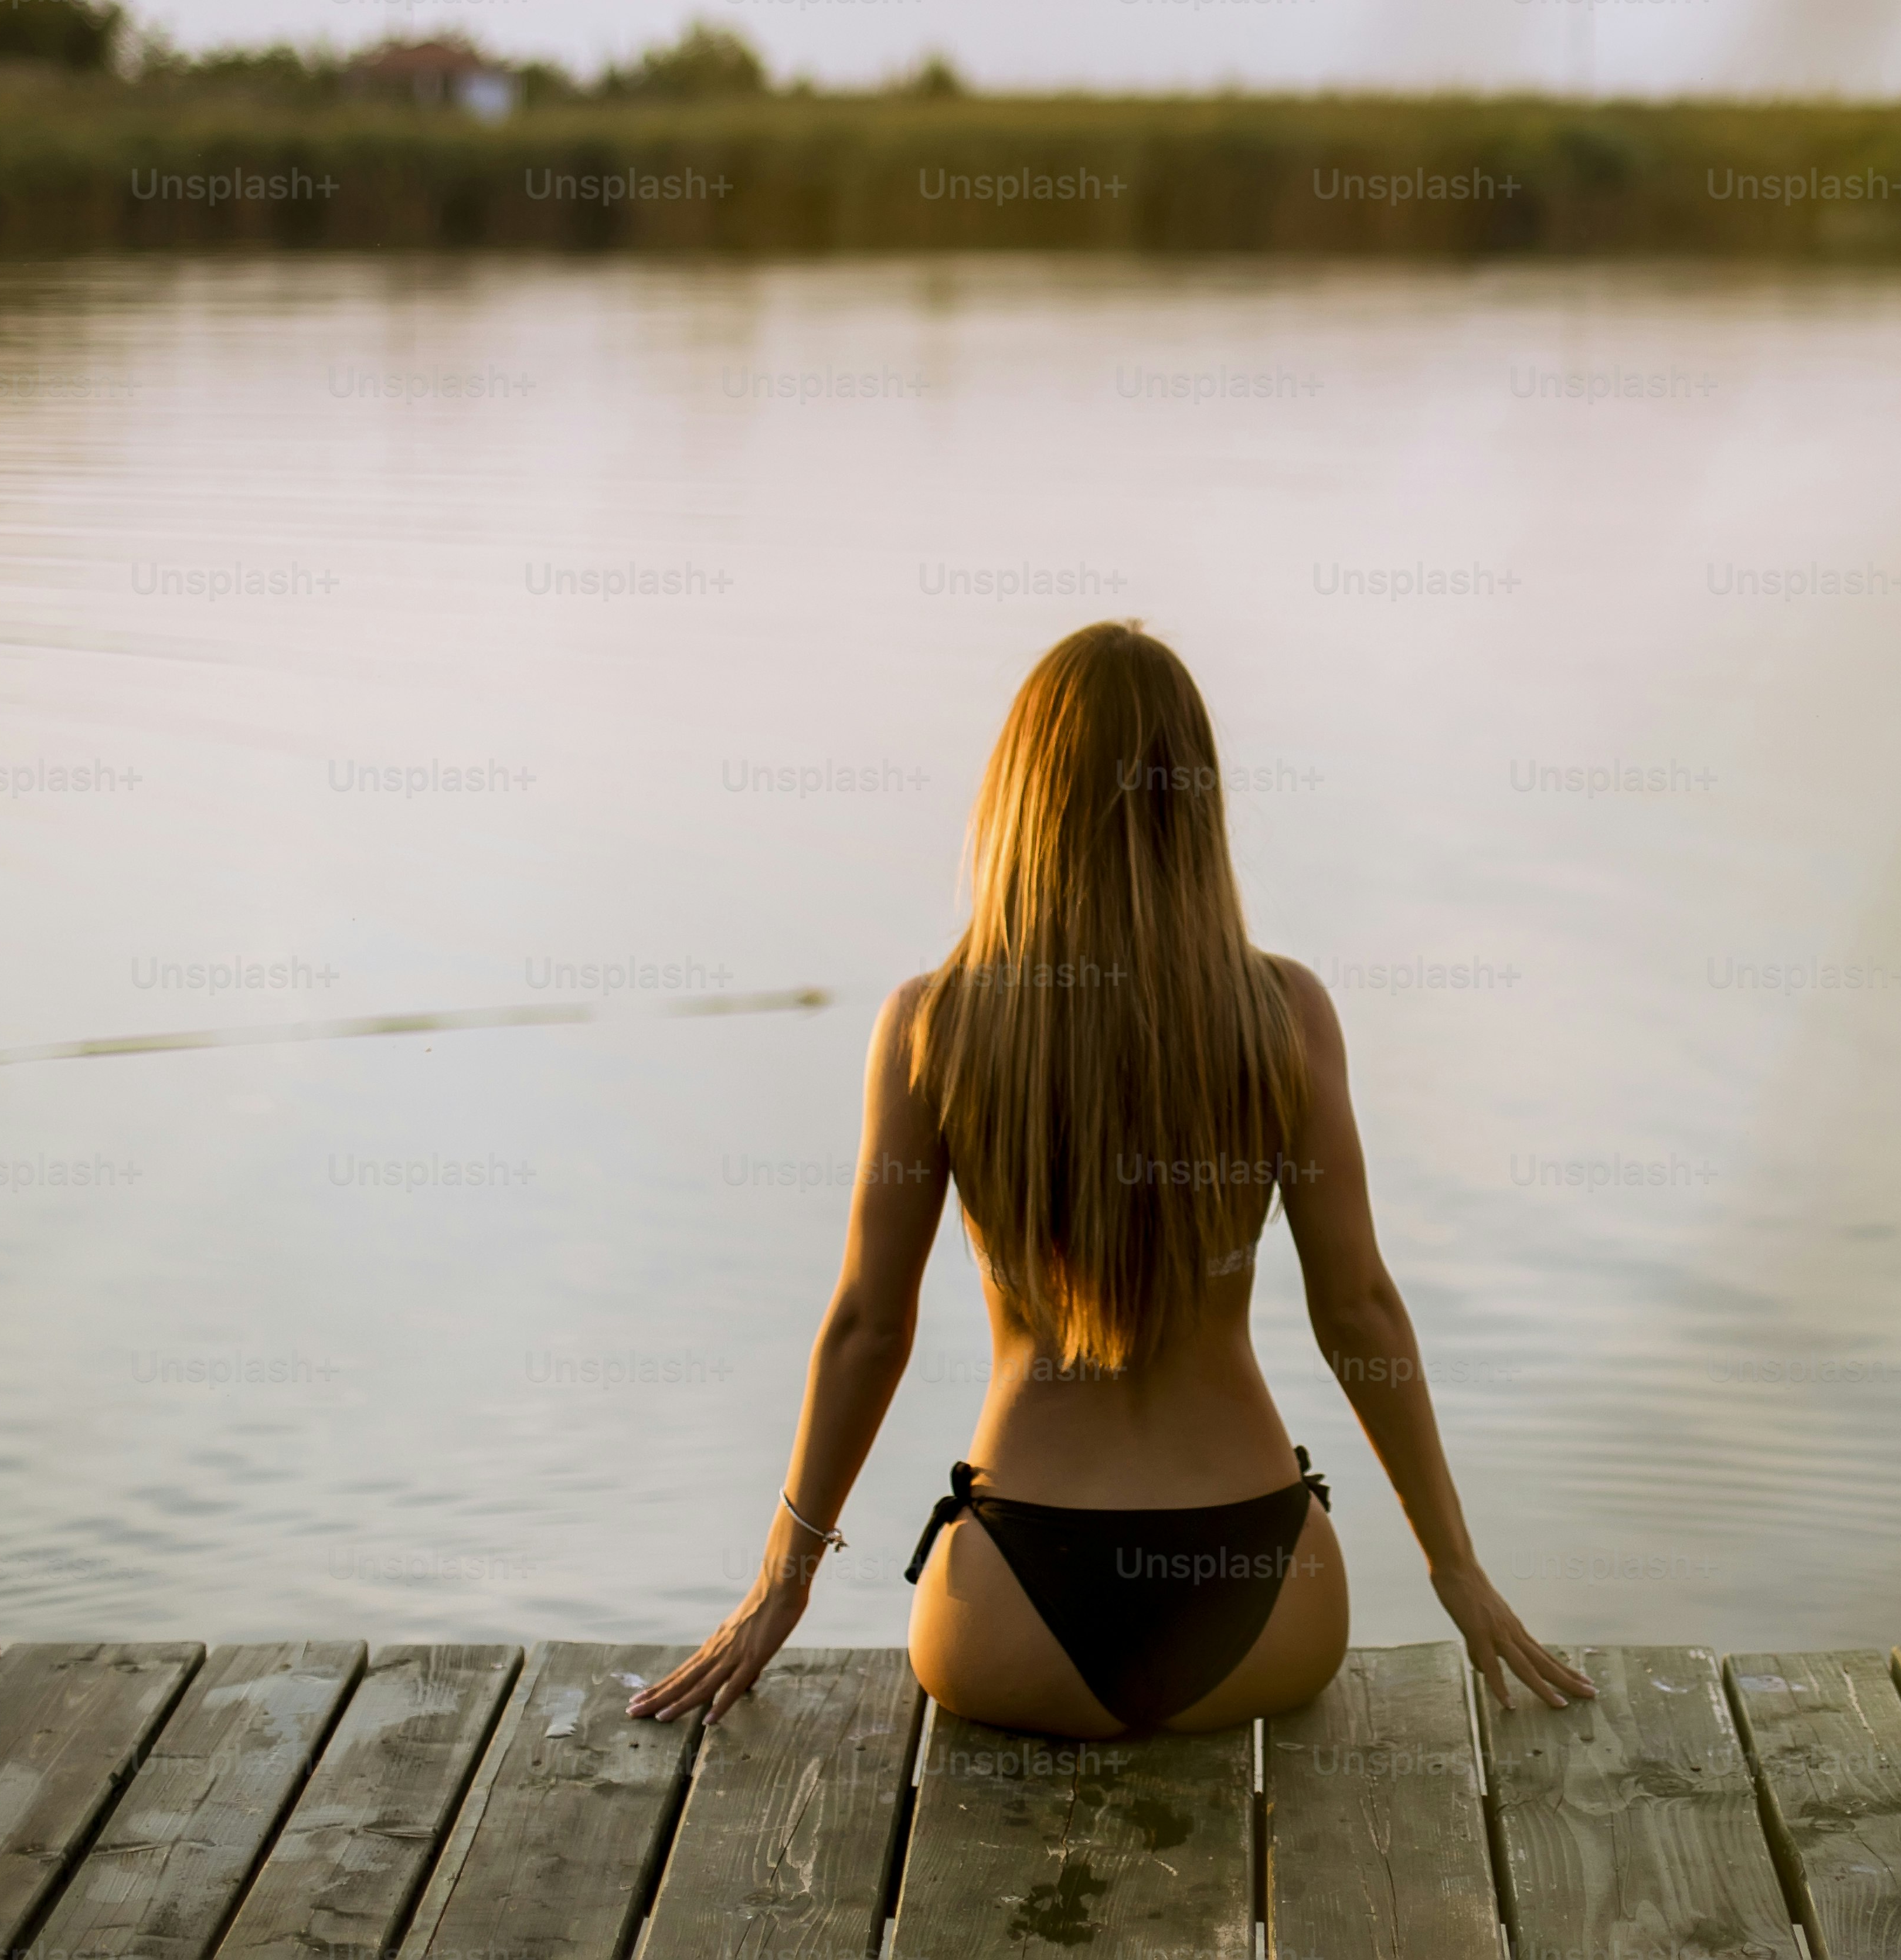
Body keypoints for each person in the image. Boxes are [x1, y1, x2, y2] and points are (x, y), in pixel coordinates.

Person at [631, 621, 1591, 1735]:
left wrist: (780, 1582)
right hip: (1265, 1595)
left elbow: (866, 1329)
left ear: (1022, 800)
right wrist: (1454, 1566)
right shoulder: (1282, 1015)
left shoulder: (935, 1025)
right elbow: (1359, 1307)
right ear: (1197, 800)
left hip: (1012, 1605)